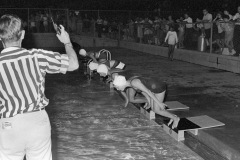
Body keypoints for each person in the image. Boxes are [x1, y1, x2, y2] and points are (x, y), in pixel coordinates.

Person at [0, 14, 79, 160]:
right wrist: (67, 42)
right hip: (37, 122)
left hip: (9, 125)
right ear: (22, 34)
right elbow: (74, 64)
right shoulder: (37, 56)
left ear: (1, 37)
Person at [112, 75, 180, 129]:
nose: (117, 89)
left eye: (117, 87)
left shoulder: (134, 83)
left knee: (157, 110)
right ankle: (173, 116)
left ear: (121, 84)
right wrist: (149, 101)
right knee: (154, 109)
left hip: (159, 88)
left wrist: (159, 103)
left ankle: (175, 118)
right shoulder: (130, 83)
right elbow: (143, 91)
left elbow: (148, 92)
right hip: (153, 88)